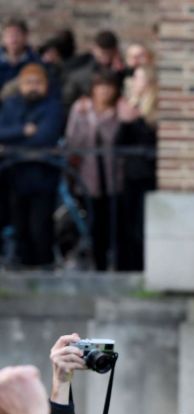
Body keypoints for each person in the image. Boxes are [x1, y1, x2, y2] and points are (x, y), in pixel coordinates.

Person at [0, 63, 64, 270]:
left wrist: (12, 144)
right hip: (15, 175)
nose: (33, 87)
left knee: (40, 228)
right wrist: (22, 130)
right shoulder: (11, 105)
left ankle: (44, 268)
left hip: (42, 176)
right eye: (28, 82)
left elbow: (46, 137)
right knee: (20, 228)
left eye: (38, 82)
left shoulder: (53, 106)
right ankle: (23, 269)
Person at [65, 67, 124, 271]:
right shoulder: (80, 109)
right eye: (101, 87)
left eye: (109, 87)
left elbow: (114, 138)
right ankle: (95, 263)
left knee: (113, 223)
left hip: (114, 176)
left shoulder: (119, 110)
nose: (105, 92)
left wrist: (109, 117)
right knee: (92, 222)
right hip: (86, 176)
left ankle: (112, 263)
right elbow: (73, 141)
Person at [115, 63, 157, 271]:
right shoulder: (130, 108)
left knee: (141, 225)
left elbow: (150, 139)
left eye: (139, 78)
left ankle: (142, 267)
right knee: (128, 224)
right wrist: (126, 119)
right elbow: (119, 143)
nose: (134, 83)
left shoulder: (154, 110)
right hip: (130, 176)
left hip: (147, 177)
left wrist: (135, 117)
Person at [0, 17, 38, 90]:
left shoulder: (36, 63)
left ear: (25, 36)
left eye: (17, 34)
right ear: (3, 38)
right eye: (9, 34)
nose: (13, 38)